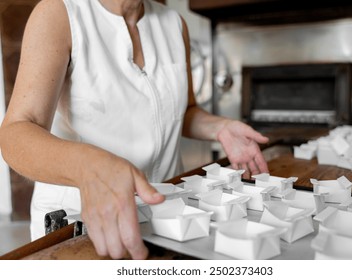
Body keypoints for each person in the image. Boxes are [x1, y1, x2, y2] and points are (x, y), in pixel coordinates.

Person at [0, 0, 269, 259]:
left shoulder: (175, 23)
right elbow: (17, 133)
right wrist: (89, 166)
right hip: (80, 220)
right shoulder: (59, 14)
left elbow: (182, 111)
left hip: (168, 212)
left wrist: (221, 127)